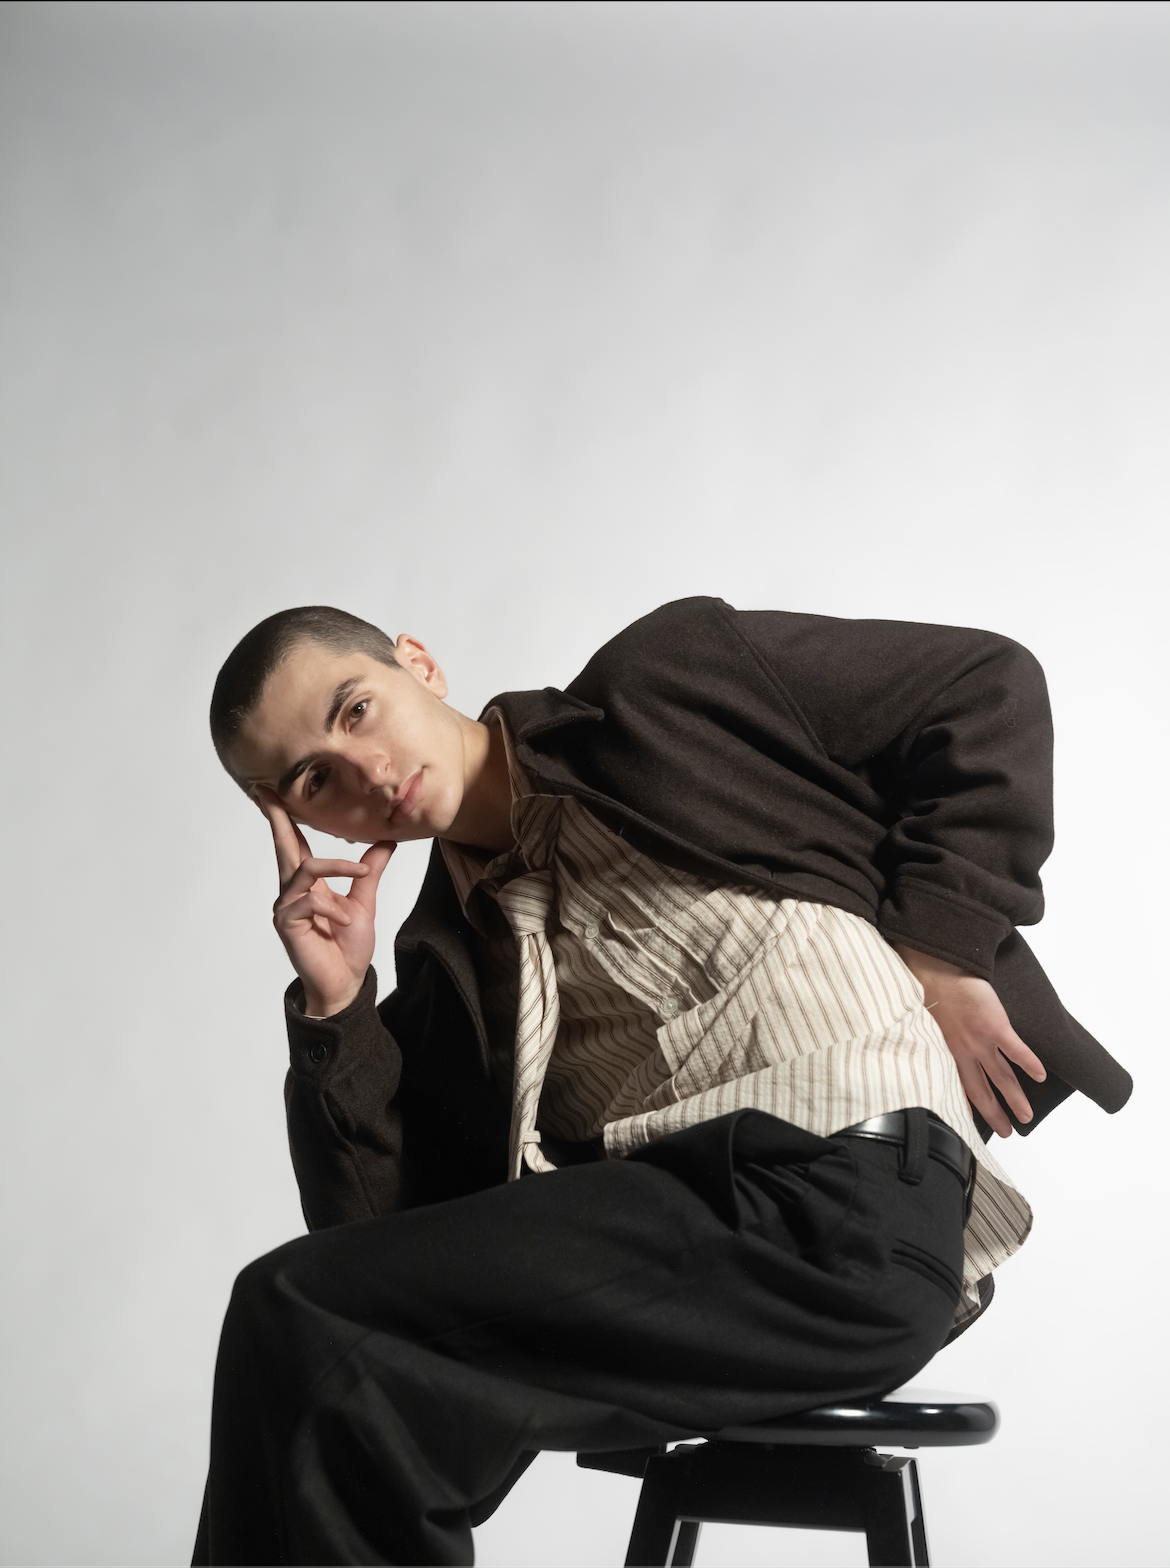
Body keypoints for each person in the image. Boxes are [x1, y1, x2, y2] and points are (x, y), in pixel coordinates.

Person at [194, 596, 1130, 1566]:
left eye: (356, 711)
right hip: (694, 1226)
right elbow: (380, 1256)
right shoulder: (453, 964)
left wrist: (943, 943)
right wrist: (340, 1004)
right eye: (313, 778)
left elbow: (986, 682)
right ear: (291, 814)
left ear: (417, 665)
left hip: (847, 1201)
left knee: (297, 1307)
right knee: (311, 1335)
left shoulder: (668, 681)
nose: (369, 773)